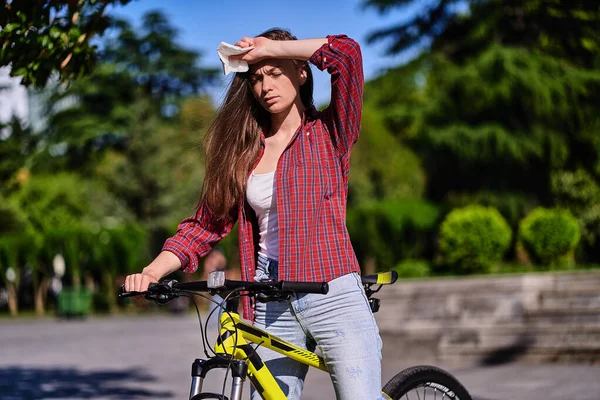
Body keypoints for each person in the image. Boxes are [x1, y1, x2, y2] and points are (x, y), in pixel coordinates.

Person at [124, 28, 384, 400]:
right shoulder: (245, 154)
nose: (265, 85)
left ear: (302, 72)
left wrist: (271, 48)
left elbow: (347, 54)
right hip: (267, 298)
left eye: (275, 72)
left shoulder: (330, 134)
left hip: (332, 292)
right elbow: (204, 225)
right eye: (257, 78)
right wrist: (151, 273)